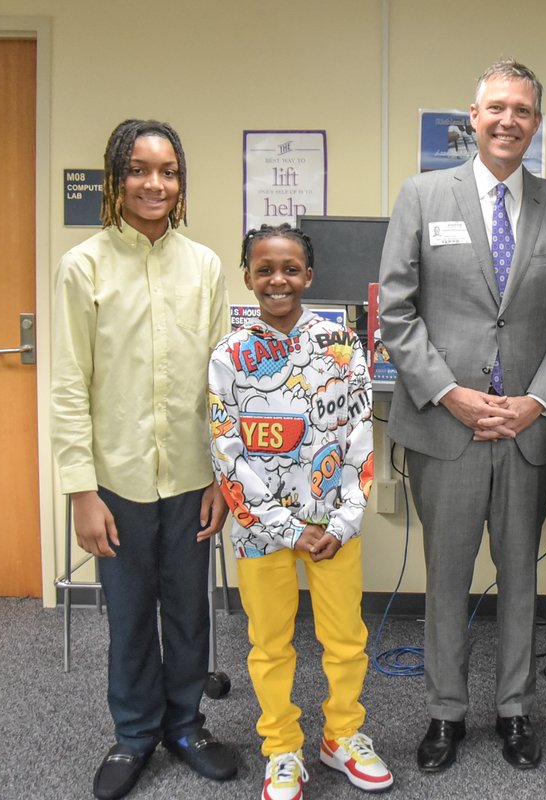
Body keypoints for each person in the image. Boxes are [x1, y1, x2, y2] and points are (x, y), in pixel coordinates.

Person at [379, 58, 546, 773]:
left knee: (520, 578)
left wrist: (535, 401)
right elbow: (396, 312)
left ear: (537, 124)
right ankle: (445, 712)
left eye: (522, 110)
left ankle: (514, 709)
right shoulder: (421, 196)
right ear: (472, 118)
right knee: (445, 576)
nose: (509, 120)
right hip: (447, 427)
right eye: (496, 107)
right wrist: (451, 392)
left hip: (527, 429)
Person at [50, 119, 236, 800]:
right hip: (117, 482)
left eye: (168, 171)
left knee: (188, 611)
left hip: (191, 477)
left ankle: (185, 726)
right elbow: (69, 385)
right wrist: (81, 491)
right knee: (129, 616)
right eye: (139, 169)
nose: (155, 183)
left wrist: (221, 476)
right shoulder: (84, 266)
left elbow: (223, 384)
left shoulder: (205, 266)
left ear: (181, 182)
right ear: (115, 178)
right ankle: (133, 734)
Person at [209, 224, 392, 800]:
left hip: (334, 526)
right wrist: (286, 528)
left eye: (290, 269)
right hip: (261, 529)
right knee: (269, 643)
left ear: (308, 276)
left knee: (346, 638)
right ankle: (281, 747)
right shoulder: (230, 355)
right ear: (248, 277)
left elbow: (360, 439)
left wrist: (342, 520)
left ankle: (343, 736)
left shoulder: (342, 345)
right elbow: (226, 451)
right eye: (264, 269)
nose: (278, 280)